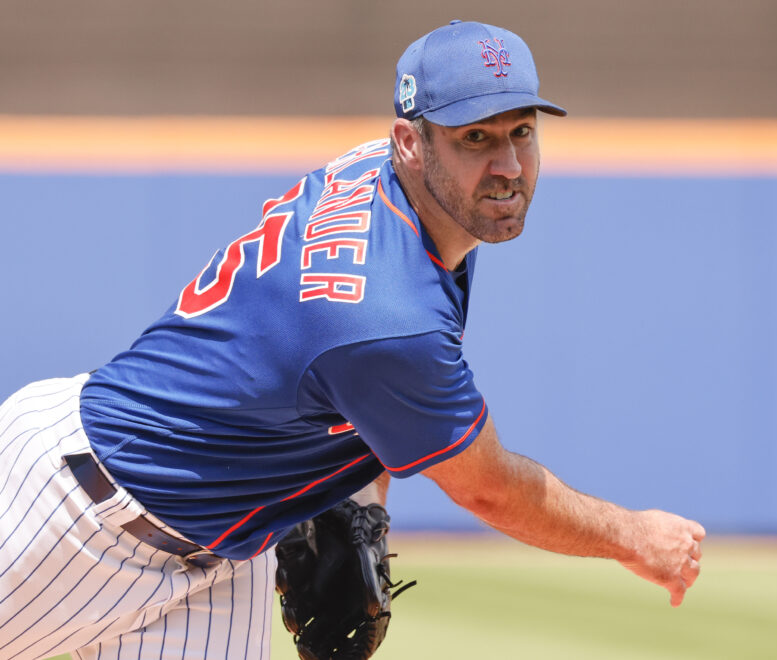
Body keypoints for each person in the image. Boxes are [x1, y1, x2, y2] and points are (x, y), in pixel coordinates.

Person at [0, 19, 705, 660]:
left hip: (222, 548)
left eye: (521, 131)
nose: (509, 167)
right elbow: (489, 489)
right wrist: (634, 537)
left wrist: (357, 504)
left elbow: (352, 388)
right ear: (409, 142)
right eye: (475, 139)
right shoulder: (387, 315)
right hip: (73, 515)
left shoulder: (396, 187)